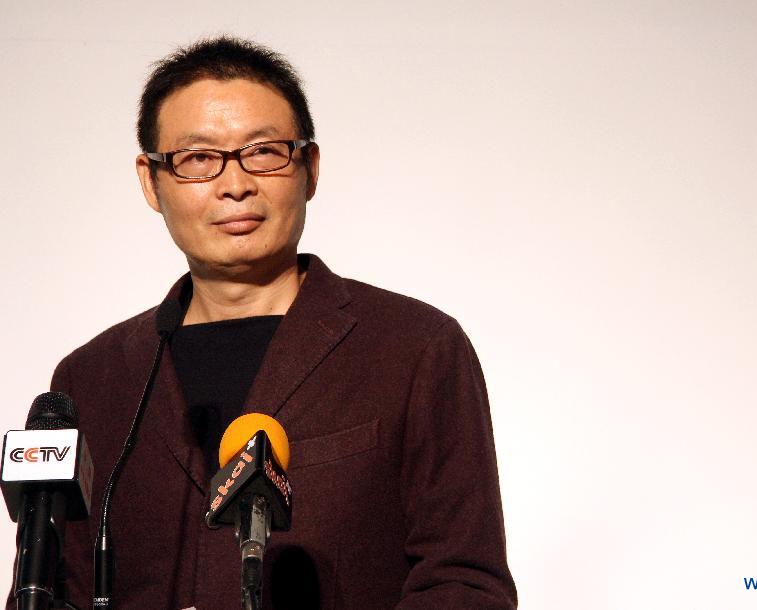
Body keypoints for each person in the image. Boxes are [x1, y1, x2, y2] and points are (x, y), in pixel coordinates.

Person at [7, 37, 516, 609]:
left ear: (311, 169)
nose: (235, 184)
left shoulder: (414, 349)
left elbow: (464, 583)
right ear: (151, 181)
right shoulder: (91, 377)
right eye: (198, 159)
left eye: (264, 151)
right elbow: (52, 590)